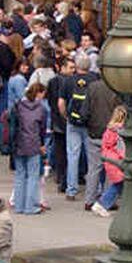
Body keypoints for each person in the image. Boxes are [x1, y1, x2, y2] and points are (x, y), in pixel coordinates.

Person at [93, 106, 132, 216]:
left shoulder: (111, 131)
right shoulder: (120, 133)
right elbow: (126, 150)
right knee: (122, 185)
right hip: (119, 165)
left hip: (114, 164)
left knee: (128, 185)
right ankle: (101, 204)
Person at [81, 70, 122, 212]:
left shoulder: (92, 87)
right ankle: (107, 201)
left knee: (94, 169)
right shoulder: (117, 89)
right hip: (111, 134)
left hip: (94, 132)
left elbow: (84, 111)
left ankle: (89, 200)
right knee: (111, 169)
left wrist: (88, 124)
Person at [60, 54, 98, 201]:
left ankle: (71, 190)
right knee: (92, 157)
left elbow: (61, 103)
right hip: (90, 123)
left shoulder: (68, 80)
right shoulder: (95, 80)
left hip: (73, 122)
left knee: (72, 155)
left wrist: (67, 117)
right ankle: (94, 189)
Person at [12, 81, 51, 215]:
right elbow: (42, 130)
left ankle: (19, 205)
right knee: (33, 176)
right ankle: (30, 206)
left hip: (18, 144)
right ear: (39, 93)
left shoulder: (18, 106)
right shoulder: (42, 109)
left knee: (20, 175)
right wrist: (42, 146)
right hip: (34, 144)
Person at [47, 56, 74, 192]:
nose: (73, 70)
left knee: (60, 151)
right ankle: (65, 178)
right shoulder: (70, 83)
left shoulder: (53, 82)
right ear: (62, 67)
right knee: (68, 153)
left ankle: (60, 176)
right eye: (71, 67)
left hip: (56, 121)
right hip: (65, 121)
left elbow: (51, 101)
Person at [0, 27, 18, 143]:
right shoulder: (4, 49)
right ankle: (0, 134)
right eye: (6, 36)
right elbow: (7, 64)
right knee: (2, 109)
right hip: (2, 80)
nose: (8, 38)